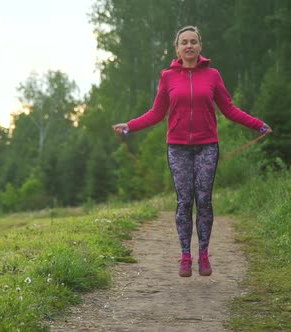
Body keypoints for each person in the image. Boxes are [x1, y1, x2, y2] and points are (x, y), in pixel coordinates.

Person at [113, 26, 272, 277]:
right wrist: (129, 126)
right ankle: (186, 255)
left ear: (200, 47)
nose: (189, 46)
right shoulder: (167, 77)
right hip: (177, 147)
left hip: (207, 145)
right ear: (177, 48)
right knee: (185, 201)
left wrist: (258, 124)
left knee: (205, 200)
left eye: (193, 42)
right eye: (184, 42)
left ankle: (204, 255)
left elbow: (229, 109)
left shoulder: (213, 76)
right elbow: (156, 113)